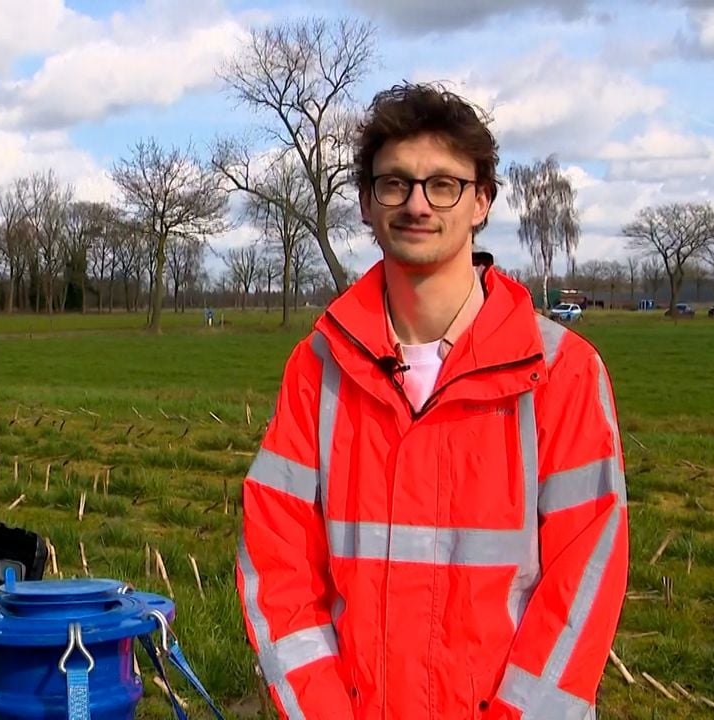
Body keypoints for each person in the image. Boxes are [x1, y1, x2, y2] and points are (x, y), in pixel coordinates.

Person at [235, 82, 629, 720]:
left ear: (481, 203)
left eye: (442, 184)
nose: (417, 203)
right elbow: (279, 570)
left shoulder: (561, 372)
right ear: (366, 204)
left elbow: (582, 587)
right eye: (395, 184)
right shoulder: (319, 366)